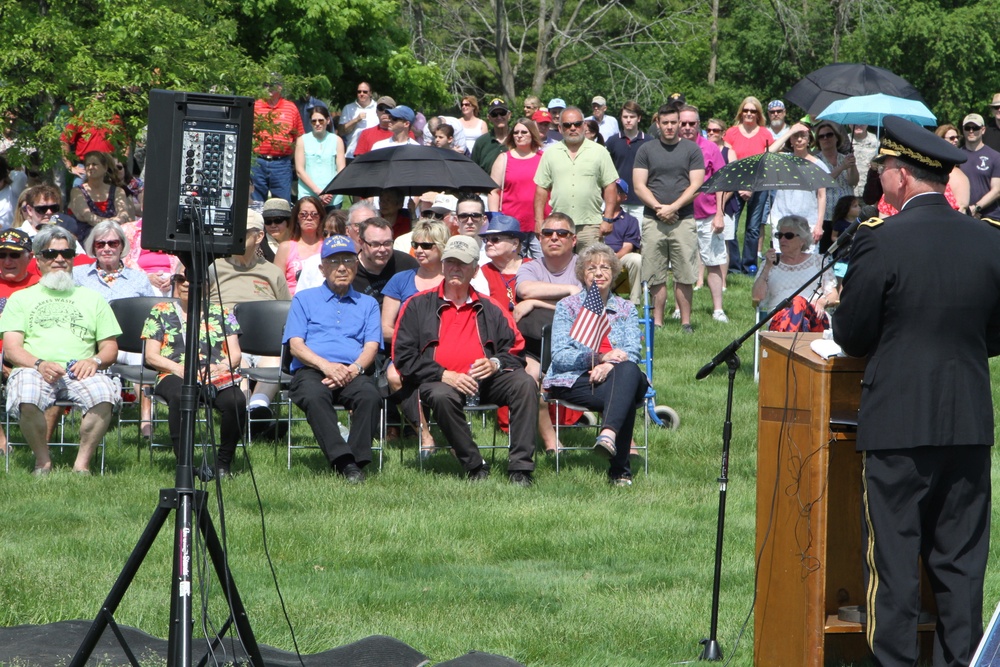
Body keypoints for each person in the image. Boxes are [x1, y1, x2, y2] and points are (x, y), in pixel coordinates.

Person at [832, 115, 1000, 667]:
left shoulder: (880, 241)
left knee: (896, 566)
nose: (880, 177)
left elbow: (853, 335)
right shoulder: (988, 239)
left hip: (898, 424)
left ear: (900, 177)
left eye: (883, 168)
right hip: (969, 423)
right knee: (961, 566)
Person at [392, 235, 538, 486]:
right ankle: (474, 464)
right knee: (440, 395)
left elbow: (516, 350)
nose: (454, 268)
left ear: (475, 270)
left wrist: (495, 364)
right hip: (439, 381)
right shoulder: (416, 305)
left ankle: (520, 469)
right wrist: (443, 374)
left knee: (524, 383)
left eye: (462, 263)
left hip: (486, 381)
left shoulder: (492, 307)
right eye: (450, 262)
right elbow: (403, 357)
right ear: (443, 265)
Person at [0, 226, 121, 474]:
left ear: (73, 258)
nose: (59, 259)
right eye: (50, 254)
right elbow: (12, 349)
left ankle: (81, 465)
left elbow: (110, 348)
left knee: (104, 394)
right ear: (38, 259)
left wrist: (95, 361)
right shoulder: (21, 299)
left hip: (81, 369)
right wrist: (38, 364)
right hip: (34, 368)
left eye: (66, 253)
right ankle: (42, 460)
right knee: (26, 394)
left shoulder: (93, 299)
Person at [543, 243, 648, 486]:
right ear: (582, 274)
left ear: (614, 273)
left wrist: (609, 367)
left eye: (605, 267)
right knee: (625, 394)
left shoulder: (626, 308)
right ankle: (620, 471)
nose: (599, 273)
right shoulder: (567, 307)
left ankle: (608, 433)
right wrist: (597, 359)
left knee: (627, 372)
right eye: (591, 268)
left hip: (619, 375)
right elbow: (559, 356)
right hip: (575, 379)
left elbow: (632, 352)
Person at [284, 235, 383, 482]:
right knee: (314, 396)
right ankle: (345, 462)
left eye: (348, 260)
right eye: (334, 261)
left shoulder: (368, 303)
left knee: (370, 395)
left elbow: (371, 346)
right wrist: (326, 366)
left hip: (353, 370)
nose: (341, 267)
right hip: (313, 368)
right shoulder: (304, 299)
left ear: (356, 265)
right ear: (322, 268)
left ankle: (357, 459)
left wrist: (354, 369)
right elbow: (296, 346)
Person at [143, 269, 245, 477]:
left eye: (194, 279)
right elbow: (151, 356)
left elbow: (235, 355)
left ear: (207, 286)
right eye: (181, 279)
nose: (187, 284)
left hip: (214, 373)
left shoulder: (222, 313)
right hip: (173, 372)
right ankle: (185, 465)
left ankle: (223, 463)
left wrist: (221, 367)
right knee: (182, 396)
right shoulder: (161, 311)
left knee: (236, 400)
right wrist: (179, 369)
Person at [633, 104, 705, 332]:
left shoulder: (692, 150)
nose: (671, 127)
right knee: (655, 273)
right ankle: (658, 322)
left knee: (685, 273)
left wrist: (673, 207)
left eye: (675, 122)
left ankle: (685, 322)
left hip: (683, 219)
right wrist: (659, 208)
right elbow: (638, 185)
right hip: (653, 220)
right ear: (658, 124)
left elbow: (697, 185)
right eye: (666, 123)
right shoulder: (646, 149)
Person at [515, 212, 584, 454]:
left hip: (579, 346)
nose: (554, 238)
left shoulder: (586, 266)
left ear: (573, 239)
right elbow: (524, 290)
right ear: (539, 238)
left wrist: (536, 303)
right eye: (547, 233)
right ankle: (551, 444)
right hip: (535, 349)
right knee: (529, 376)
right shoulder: (530, 267)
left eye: (562, 233)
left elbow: (587, 310)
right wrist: (568, 289)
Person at [534, 106, 619, 250]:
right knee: (560, 269)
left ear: (584, 126)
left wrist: (608, 219)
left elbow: (610, 187)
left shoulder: (600, 152)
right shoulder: (549, 153)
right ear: (560, 128)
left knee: (590, 268)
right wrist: (539, 221)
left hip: (590, 225)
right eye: (567, 125)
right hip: (559, 226)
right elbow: (541, 189)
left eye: (577, 124)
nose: (573, 128)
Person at [678, 105, 728, 322]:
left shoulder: (710, 148)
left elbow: (721, 182)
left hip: (707, 214)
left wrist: (719, 213)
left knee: (713, 262)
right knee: (681, 264)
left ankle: (718, 309)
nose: (687, 127)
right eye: (683, 123)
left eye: (692, 123)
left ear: (698, 124)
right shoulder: (672, 148)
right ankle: (680, 308)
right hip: (680, 216)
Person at [751, 215, 836, 324]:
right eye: (779, 235)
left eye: (788, 236)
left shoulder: (819, 261)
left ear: (802, 240)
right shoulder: (769, 263)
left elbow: (834, 295)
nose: (782, 239)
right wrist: (767, 267)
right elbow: (757, 297)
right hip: (781, 320)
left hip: (814, 317)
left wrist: (822, 302)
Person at [0, 229, 39, 455]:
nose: (7, 261)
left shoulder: (40, 285)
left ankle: (39, 445)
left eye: (14, 255)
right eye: (2, 255)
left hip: (32, 356)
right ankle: (3, 443)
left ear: (30, 257)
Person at [723, 96, 772, 275]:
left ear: (758, 114)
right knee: (732, 228)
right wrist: (740, 186)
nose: (749, 114)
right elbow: (729, 162)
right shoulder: (731, 133)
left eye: (753, 111)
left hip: (758, 186)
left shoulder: (765, 134)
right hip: (736, 185)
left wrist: (751, 186)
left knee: (752, 227)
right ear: (741, 112)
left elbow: (766, 162)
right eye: (746, 110)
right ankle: (733, 266)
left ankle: (749, 266)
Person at [487, 117, 548, 257]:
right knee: (513, 266)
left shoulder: (544, 158)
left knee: (543, 266)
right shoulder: (504, 158)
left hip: (539, 225)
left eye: (524, 132)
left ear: (532, 134)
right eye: (516, 132)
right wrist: (495, 218)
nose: (519, 136)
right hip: (511, 226)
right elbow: (493, 191)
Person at [768, 123, 828, 247]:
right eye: (796, 136)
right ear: (791, 140)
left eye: (803, 136)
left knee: (806, 259)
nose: (799, 139)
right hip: (781, 216)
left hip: (808, 220)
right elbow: (767, 154)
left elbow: (821, 196)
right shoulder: (783, 160)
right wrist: (789, 132)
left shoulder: (818, 165)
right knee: (782, 260)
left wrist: (819, 224)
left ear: (809, 140)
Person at [251, 74, 305, 202]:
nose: (268, 88)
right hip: (257, 161)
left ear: (280, 87)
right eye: (266, 84)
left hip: (282, 164)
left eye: (272, 85)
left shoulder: (291, 108)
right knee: (255, 203)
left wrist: (292, 158)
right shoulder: (255, 106)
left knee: (282, 204)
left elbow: (300, 136)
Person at [813, 121, 859, 252]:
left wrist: (852, 165)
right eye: (822, 136)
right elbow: (823, 180)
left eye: (829, 135)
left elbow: (853, 181)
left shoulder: (844, 158)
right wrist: (843, 167)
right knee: (825, 252)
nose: (826, 138)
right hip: (826, 215)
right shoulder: (816, 160)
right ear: (818, 140)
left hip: (846, 215)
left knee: (846, 252)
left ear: (836, 137)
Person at [351, 216, 418, 306]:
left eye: (387, 243)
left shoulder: (408, 265)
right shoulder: (350, 272)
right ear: (361, 242)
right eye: (375, 244)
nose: (382, 249)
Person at [605, 101, 652, 222]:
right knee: (615, 238)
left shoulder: (649, 142)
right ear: (621, 119)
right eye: (625, 117)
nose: (628, 120)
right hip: (617, 200)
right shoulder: (612, 141)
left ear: (639, 118)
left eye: (632, 117)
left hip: (641, 201)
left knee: (640, 238)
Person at [295, 105, 345, 210]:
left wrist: (329, 192)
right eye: (314, 121)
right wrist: (318, 192)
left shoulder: (337, 140)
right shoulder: (302, 140)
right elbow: (300, 170)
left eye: (321, 121)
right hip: (308, 196)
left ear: (328, 120)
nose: (317, 124)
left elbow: (341, 170)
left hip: (332, 197)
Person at [601, 179, 642, 306]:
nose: (611, 193)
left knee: (637, 259)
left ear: (624, 197)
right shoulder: (594, 217)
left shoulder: (631, 220)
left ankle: (635, 302)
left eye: (617, 191)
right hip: (596, 255)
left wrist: (612, 258)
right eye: (609, 190)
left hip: (620, 257)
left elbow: (628, 247)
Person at [67, 151, 131, 228]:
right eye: (87, 165)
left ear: (105, 168)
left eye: (94, 164)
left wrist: (117, 221)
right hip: (86, 236)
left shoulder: (118, 191)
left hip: (113, 233)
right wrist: (110, 223)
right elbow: (87, 216)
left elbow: (123, 214)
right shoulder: (77, 191)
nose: (90, 167)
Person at [275, 196, 325, 294]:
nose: (309, 218)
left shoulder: (327, 246)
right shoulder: (285, 247)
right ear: (297, 218)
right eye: (303, 214)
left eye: (314, 214)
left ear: (320, 218)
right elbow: (277, 283)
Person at [958, 113, 1000, 221]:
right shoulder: (956, 156)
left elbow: (997, 190)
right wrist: (965, 210)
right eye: (968, 128)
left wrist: (976, 208)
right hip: (961, 215)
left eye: (975, 127)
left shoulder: (995, 157)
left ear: (983, 130)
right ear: (963, 130)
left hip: (989, 217)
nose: (971, 131)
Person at [931, 125, 971, 213]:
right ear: (940, 140)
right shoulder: (931, 168)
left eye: (957, 137)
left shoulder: (956, 172)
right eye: (952, 138)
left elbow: (962, 207)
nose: (956, 140)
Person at [339, 81, 378, 161]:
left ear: (370, 93)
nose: (362, 94)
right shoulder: (348, 108)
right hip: (352, 154)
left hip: (373, 154)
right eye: (359, 91)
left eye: (365, 92)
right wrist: (356, 120)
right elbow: (341, 132)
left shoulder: (378, 108)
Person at [471, 98, 512, 174]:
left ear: (509, 115)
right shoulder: (481, 142)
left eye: (502, 113)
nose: (499, 117)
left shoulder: (517, 138)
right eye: (494, 114)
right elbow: (473, 170)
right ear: (489, 117)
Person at [260, 197, 293, 263]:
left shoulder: (300, 240)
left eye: (278, 220)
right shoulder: (259, 245)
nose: (273, 225)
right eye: (268, 221)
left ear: (288, 221)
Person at [849, 124, 879, 195]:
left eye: (862, 123)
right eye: (855, 122)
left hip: (870, 193)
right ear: (849, 124)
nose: (858, 125)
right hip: (850, 192)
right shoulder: (844, 142)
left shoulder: (876, 142)